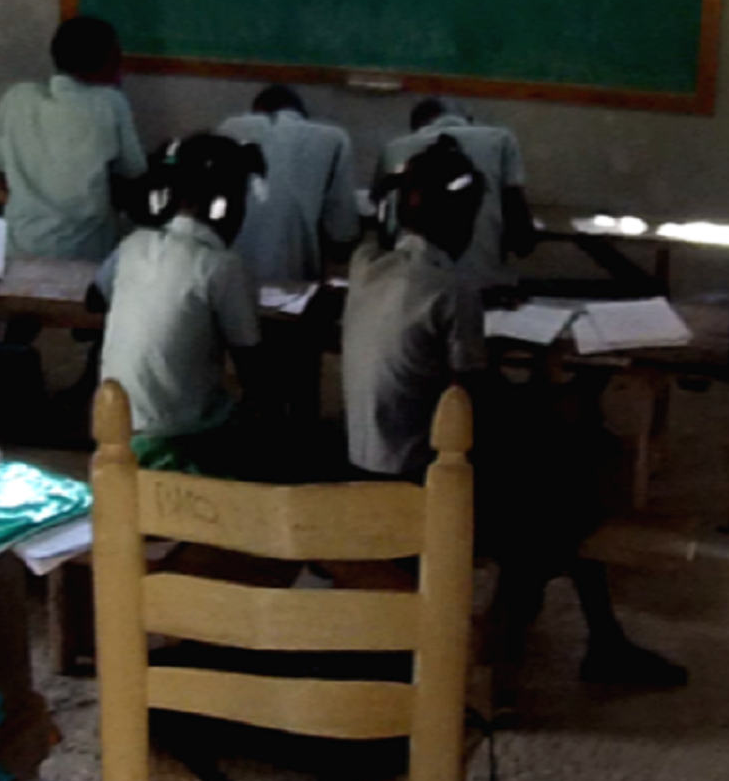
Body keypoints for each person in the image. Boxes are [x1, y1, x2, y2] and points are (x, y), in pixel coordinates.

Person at [342, 137, 686, 697]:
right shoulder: (450, 290)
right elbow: (476, 402)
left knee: (547, 456)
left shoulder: (365, 266)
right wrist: (564, 394)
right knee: (568, 477)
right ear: (458, 218)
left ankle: (551, 617)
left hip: (364, 458)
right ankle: (586, 637)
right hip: (420, 476)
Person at [96, 134, 267, 475]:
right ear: (227, 205)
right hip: (177, 435)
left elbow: (95, 295)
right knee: (258, 415)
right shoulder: (220, 266)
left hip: (113, 423)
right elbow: (250, 364)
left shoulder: (134, 243)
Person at [0, 15, 145, 261]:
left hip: (19, 248)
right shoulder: (110, 103)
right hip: (83, 253)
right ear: (108, 60)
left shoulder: (16, 98)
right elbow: (134, 171)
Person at [379, 96, 534, 295]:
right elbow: (522, 239)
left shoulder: (394, 148)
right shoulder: (501, 140)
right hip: (486, 289)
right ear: (469, 120)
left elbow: (383, 228)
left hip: (409, 290)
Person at [217, 83, 360, 284]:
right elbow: (343, 232)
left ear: (255, 111)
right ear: (301, 114)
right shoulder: (333, 139)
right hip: (294, 279)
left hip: (229, 275)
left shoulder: (228, 129)